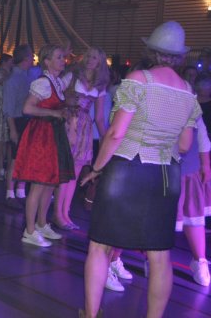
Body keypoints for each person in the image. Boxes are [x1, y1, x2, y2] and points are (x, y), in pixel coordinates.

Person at [80, 21, 201, 318]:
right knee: (160, 256)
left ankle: (91, 315)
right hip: (165, 177)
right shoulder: (188, 91)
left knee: (100, 246)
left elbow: (115, 133)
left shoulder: (139, 80)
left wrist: (96, 168)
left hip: (128, 169)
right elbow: (185, 144)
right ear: (179, 56)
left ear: (152, 51)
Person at [14, 44, 74, 247]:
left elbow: (71, 77)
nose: (63, 60)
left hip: (53, 134)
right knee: (39, 184)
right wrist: (53, 113)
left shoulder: (56, 82)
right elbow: (27, 108)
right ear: (47, 61)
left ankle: (41, 223)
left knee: (49, 182)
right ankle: (29, 231)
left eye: (63, 57)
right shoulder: (43, 83)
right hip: (42, 135)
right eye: (58, 57)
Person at [57, 47, 109, 230]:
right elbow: (56, 95)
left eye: (94, 57)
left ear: (100, 62)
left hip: (85, 126)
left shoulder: (100, 85)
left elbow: (100, 117)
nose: (89, 60)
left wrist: (105, 139)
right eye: (88, 56)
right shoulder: (72, 76)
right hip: (68, 122)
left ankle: (66, 212)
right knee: (64, 170)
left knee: (75, 173)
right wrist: (67, 103)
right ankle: (58, 214)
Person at [175, 73, 211, 287]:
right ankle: (116, 259)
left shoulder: (192, 107)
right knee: (150, 217)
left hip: (187, 171)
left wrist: (206, 165)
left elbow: (203, 138)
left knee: (194, 217)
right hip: (160, 170)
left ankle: (201, 262)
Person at [2, 45, 34, 208]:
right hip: (17, 121)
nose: (33, 59)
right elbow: (8, 108)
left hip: (26, 121)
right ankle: (10, 193)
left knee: (25, 158)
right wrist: (13, 130)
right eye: (31, 56)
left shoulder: (25, 77)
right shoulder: (13, 80)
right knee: (15, 159)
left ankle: (20, 191)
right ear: (26, 58)